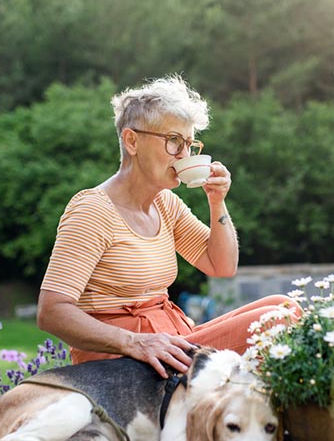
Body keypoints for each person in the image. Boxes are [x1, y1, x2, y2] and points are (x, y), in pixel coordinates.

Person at [37, 74, 301, 378]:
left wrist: (217, 201)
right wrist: (135, 342)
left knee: (283, 305)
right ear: (132, 140)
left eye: (189, 144)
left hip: (170, 345)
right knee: (276, 319)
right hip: (125, 362)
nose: (184, 156)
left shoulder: (165, 203)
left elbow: (222, 265)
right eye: (174, 140)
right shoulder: (93, 210)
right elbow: (51, 311)